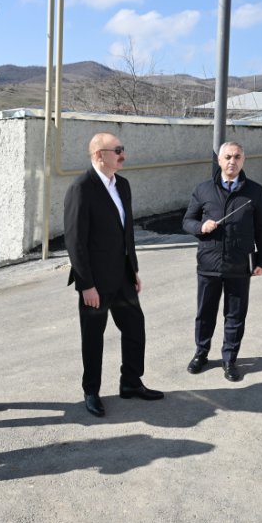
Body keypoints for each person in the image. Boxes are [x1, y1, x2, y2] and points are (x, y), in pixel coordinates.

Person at [64, 132, 164, 417]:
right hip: (95, 282)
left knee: (135, 328)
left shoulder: (123, 185)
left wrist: (133, 269)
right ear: (99, 155)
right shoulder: (82, 188)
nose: (123, 155)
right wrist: (86, 285)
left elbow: (126, 233)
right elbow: (75, 241)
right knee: (93, 338)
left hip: (122, 276)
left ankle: (131, 382)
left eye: (123, 149)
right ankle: (91, 391)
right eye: (118, 150)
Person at [182, 141, 262, 382]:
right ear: (220, 161)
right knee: (205, 313)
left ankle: (229, 359)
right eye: (228, 157)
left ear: (243, 161)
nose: (232, 161)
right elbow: (187, 221)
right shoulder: (203, 190)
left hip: (239, 264)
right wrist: (201, 226)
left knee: (235, 315)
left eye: (237, 157)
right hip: (208, 264)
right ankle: (201, 354)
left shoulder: (254, 191)